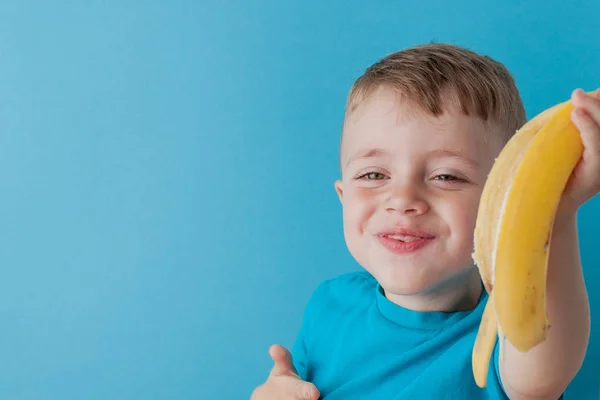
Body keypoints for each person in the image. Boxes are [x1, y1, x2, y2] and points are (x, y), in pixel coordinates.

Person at [250, 43, 598, 400]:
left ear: (501, 203)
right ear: (343, 197)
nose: (403, 200)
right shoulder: (328, 304)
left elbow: (540, 378)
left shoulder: (499, 336)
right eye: (373, 175)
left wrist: (556, 209)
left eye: (446, 176)